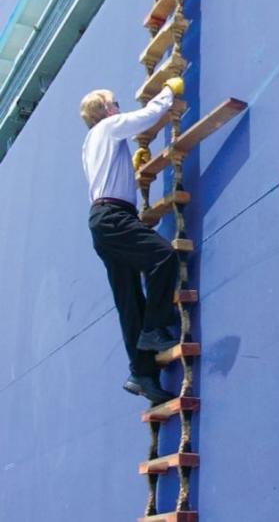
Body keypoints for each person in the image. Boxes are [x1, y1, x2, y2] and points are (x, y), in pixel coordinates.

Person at [80, 79, 184, 403]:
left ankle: (142, 374)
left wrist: (131, 167)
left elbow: (109, 176)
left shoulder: (91, 143)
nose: (119, 108)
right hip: (115, 217)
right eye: (116, 103)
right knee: (163, 256)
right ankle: (155, 329)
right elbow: (148, 116)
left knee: (129, 302)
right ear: (107, 109)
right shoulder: (110, 127)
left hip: (103, 221)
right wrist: (169, 89)